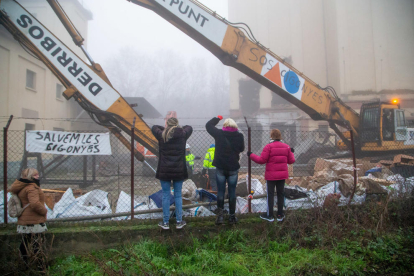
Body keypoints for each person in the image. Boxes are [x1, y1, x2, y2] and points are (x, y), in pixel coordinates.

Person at [152, 117, 193, 230]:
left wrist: (165, 128)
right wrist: (178, 128)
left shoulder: (162, 135)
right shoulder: (182, 134)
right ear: (177, 124)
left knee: (166, 195)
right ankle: (179, 221)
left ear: (167, 125)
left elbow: (154, 127)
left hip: (164, 170)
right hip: (178, 169)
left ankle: (165, 222)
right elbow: (189, 127)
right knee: (178, 195)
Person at [248, 129, 295, 222]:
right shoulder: (286, 147)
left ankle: (270, 216)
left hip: (271, 175)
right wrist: (291, 152)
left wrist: (251, 155)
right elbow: (291, 161)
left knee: (270, 195)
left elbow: (261, 160)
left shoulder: (268, 147)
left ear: (271, 136)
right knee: (281, 194)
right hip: (282, 175)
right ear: (280, 136)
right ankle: (280, 215)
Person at [206, 116, 245, 225]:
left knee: (221, 192)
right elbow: (241, 149)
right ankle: (232, 217)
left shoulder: (219, 134)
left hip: (221, 168)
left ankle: (220, 217)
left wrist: (217, 118)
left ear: (224, 126)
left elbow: (208, 125)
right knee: (232, 192)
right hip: (233, 167)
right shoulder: (239, 136)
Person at [9, 168, 47, 269]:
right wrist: (44, 211)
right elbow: (34, 204)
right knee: (37, 244)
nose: (38, 176)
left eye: (38, 174)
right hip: (33, 220)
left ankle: (24, 264)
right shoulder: (32, 187)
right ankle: (40, 266)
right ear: (30, 176)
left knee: (25, 243)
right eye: (35, 175)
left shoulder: (23, 187)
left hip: (25, 219)